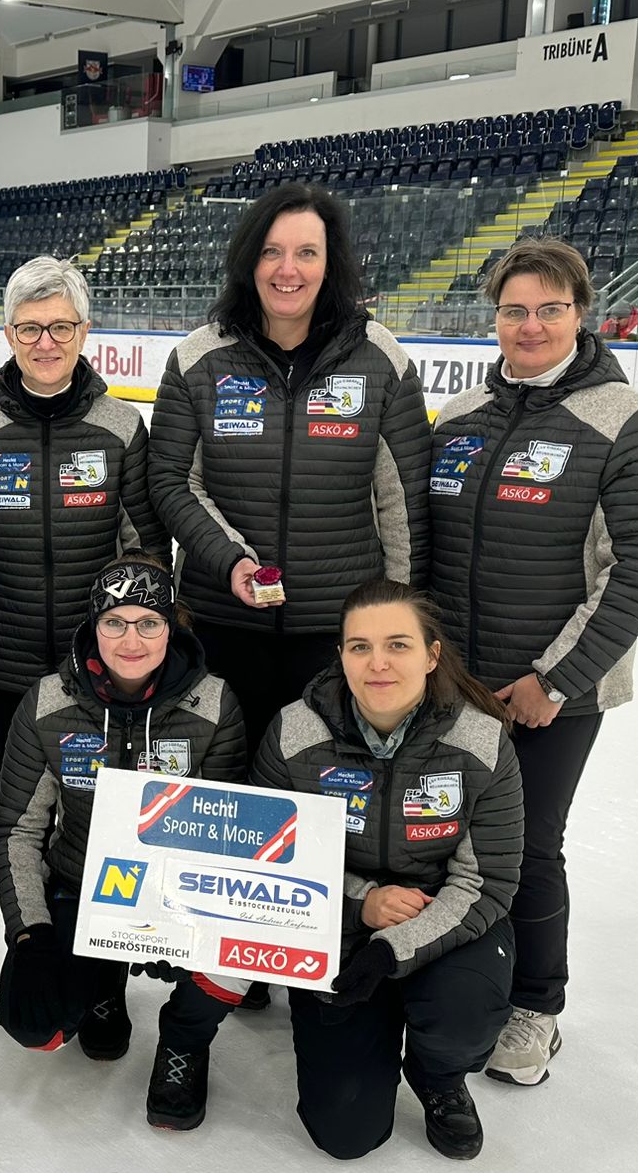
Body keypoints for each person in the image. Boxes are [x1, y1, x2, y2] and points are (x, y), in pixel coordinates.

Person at [427, 238, 638, 1089]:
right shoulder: (460, 418)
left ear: (582, 314)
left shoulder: (624, 420)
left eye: (550, 309)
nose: (530, 326)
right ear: (492, 317)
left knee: (529, 847)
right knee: (439, 837)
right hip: (455, 680)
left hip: (551, 693)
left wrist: (556, 680)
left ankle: (535, 1005)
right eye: (513, 310)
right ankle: (451, 978)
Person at [148, 181, 433, 758]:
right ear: (249, 259)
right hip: (218, 626)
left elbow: (404, 504)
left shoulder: (380, 359)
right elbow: (172, 481)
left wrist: (397, 625)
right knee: (222, 795)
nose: (288, 270)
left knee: (327, 802)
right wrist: (231, 562)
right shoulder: (198, 358)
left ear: (331, 264)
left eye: (307, 252)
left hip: (340, 636)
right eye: (272, 251)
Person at [254, 579, 522, 1160]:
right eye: (359, 647)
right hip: (336, 919)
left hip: (446, 919)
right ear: (341, 656)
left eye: (397, 645)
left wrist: (392, 947)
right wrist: (361, 903)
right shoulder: (296, 732)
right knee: (346, 1133)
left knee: (463, 1013)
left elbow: (487, 883)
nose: (377, 663)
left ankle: (439, 1075)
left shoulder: (480, 738)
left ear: (431, 655)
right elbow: (272, 856)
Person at [0, 557, 247, 1127]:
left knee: (248, 936)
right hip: (83, 883)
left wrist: (175, 918)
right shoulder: (48, 702)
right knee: (38, 1024)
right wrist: (28, 935)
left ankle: (184, 1041)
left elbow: (233, 832)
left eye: (149, 623)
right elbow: (18, 830)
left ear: (172, 627)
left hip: (180, 889)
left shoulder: (214, 703)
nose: (132, 639)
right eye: (115, 623)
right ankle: (100, 981)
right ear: (92, 626)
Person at [0, 257, 169, 777]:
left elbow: (148, 549)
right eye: (30, 328)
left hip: (104, 659)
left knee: (97, 805)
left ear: (84, 332)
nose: (46, 343)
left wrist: (140, 643)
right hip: (5, 663)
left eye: (61, 327)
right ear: (9, 334)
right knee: (16, 802)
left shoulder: (122, 426)